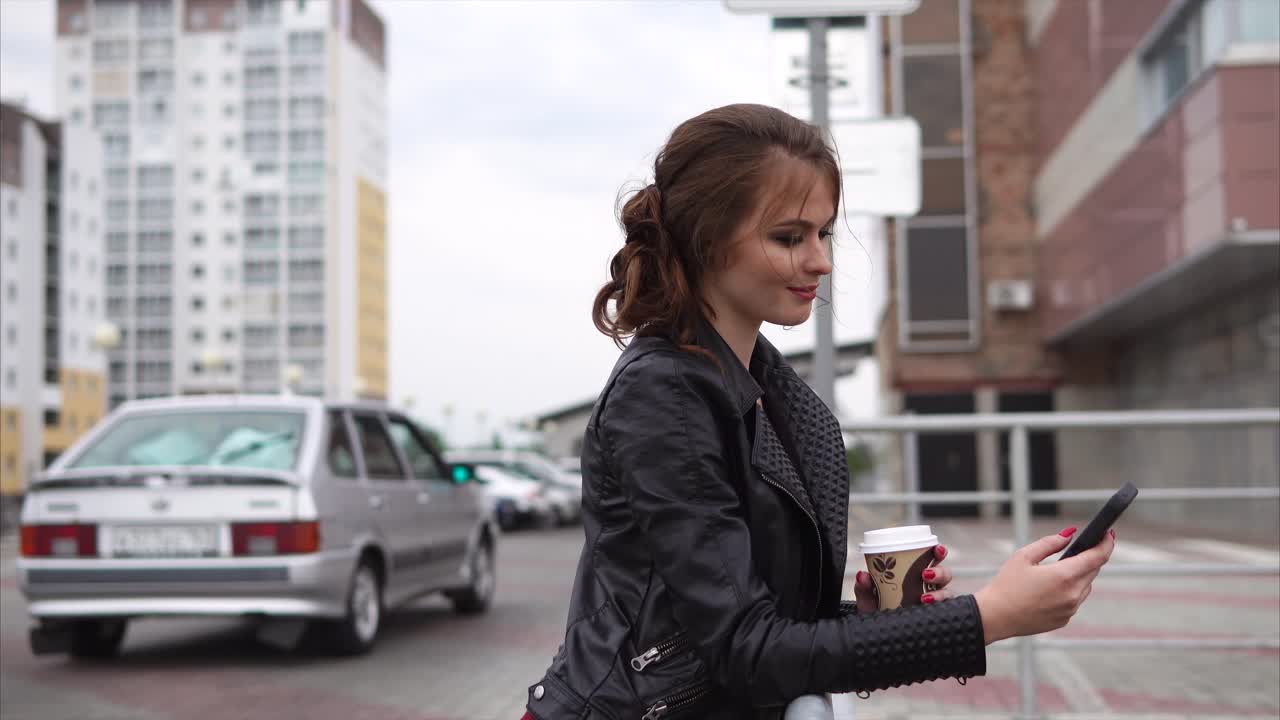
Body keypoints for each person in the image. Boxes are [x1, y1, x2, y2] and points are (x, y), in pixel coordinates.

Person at [519, 104, 1116, 720]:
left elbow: (753, 624)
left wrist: (877, 618)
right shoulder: (664, 395)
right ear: (706, 239)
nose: (821, 261)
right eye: (788, 237)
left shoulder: (763, 385)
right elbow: (745, 652)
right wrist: (987, 618)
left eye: (825, 232)